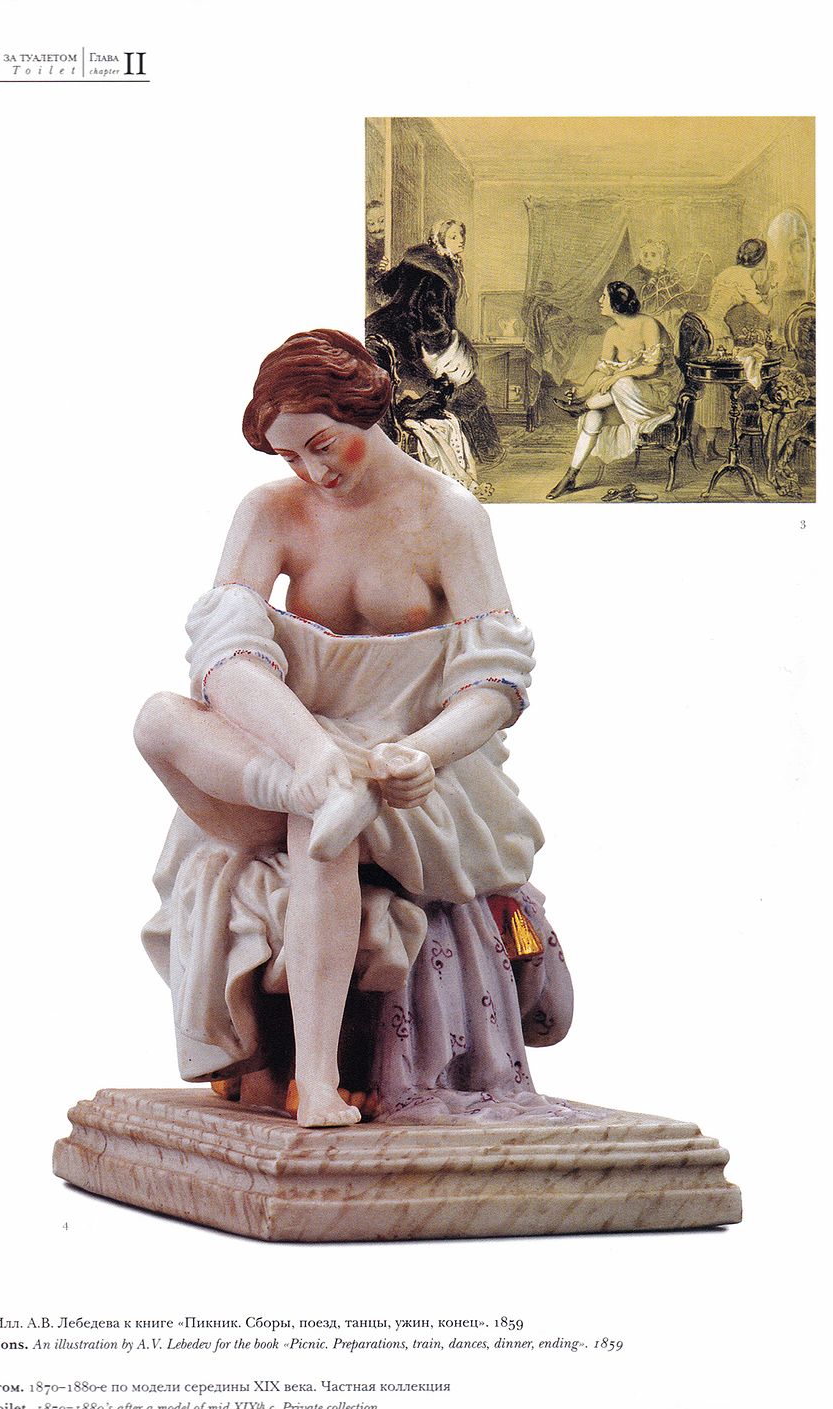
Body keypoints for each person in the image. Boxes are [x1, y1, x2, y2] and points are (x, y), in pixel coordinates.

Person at [135, 330, 568, 1127]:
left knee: (321, 834)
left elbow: (496, 680)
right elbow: (225, 657)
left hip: (416, 774)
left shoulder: (448, 516)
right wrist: (309, 756)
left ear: (364, 408)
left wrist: (420, 752)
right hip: (293, 751)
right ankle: (315, 786)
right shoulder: (270, 511)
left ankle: (319, 1081)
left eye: (323, 445)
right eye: (290, 457)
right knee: (160, 718)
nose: (313, 472)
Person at [366, 220, 501, 493]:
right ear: (439, 240)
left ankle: (481, 452)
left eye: (461, 236)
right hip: (405, 341)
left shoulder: (415, 261)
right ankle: (484, 452)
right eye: (453, 237)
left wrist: (380, 274)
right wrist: (445, 341)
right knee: (458, 385)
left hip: (382, 328)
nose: (460, 241)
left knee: (458, 384)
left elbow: (383, 290)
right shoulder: (438, 273)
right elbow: (431, 318)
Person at [548, 281, 680, 499]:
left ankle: (581, 407)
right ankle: (571, 475)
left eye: (604, 297)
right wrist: (581, 390)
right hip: (626, 398)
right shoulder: (612, 333)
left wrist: (617, 376)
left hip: (657, 396)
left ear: (617, 303)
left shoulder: (648, 325)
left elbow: (654, 368)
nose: (599, 301)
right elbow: (602, 370)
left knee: (620, 382)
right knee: (594, 416)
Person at [695, 238, 775, 458]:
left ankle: (703, 442)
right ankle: (709, 446)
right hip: (716, 330)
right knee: (717, 387)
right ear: (761, 259)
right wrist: (774, 290)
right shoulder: (745, 279)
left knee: (709, 384)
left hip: (704, 323)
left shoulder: (730, 272)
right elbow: (766, 310)